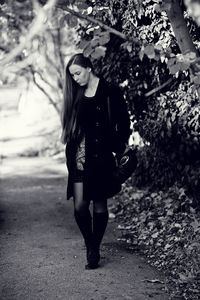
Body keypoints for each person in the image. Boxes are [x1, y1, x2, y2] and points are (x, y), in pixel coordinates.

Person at [61, 53, 130, 269]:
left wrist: (117, 146)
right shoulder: (76, 93)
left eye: (78, 73)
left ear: (89, 67)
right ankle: (90, 242)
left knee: (100, 204)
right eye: (72, 76)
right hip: (80, 156)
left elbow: (124, 122)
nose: (75, 79)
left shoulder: (110, 91)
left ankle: (94, 249)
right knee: (80, 207)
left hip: (101, 156)